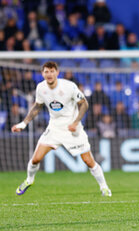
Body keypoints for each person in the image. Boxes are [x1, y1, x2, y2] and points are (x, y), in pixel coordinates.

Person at [12, 61, 112, 197]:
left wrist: (76, 122)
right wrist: (23, 124)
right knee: (35, 159)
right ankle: (29, 180)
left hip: (72, 128)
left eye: (52, 71)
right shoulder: (40, 88)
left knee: (89, 161)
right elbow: (37, 106)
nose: (49, 74)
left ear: (57, 73)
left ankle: (104, 187)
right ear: (42, 74)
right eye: (46, 72)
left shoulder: (69, 86)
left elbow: (84, 104)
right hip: (54, 128)